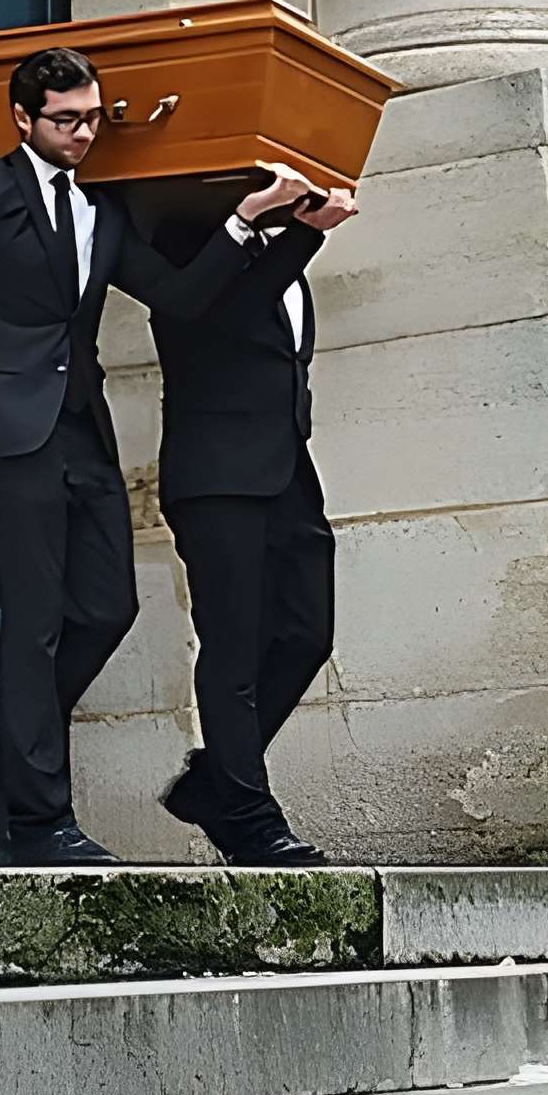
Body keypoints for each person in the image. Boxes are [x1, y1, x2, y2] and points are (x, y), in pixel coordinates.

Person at [0, 46, 312, 865]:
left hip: (82, 429)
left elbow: (181, 297)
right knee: (34, 621)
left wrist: (255, 224)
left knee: (109, 606)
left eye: (90, 119)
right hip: (9, 435)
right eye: (64, 120)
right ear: (22, 119)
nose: (81, 134)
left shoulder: (103, 211)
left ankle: (1, 757)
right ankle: (41, 824)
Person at [148, 183, 360, 865]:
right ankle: (246, 814)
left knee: (305, 632)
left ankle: (213, 783)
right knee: (233, 649)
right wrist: (303, 233)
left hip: (286, 469)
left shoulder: (280, 249)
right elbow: (224, 317)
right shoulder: (185, 241)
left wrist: (296, 232)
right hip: (215, 475)